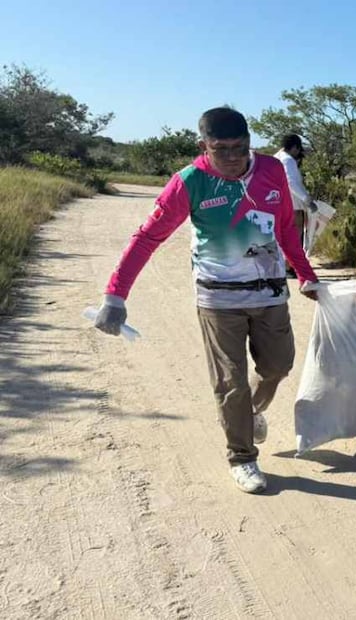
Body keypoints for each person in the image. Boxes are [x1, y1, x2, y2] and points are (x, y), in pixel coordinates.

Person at [92, 107, 320, 494]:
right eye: (221, 149)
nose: (232, 157)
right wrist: (115, 295)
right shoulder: (190, 182)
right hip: (218, 297)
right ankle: (242, 457)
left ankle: (249, 412)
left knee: (278, 366)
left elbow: (284, 227)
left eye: (240, 147)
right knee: (230, 381)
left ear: (250, 142)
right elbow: (148, 237)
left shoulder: (271, 169)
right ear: (204, 146)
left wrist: (306, 274)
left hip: (269, 293)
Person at [274, 134, 312, 272]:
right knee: (294, 234)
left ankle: (286, 265)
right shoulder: (288, 160)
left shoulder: (276, 157)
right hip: (292, 204)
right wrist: (306, 199)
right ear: (295, 147)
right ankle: (290, 266)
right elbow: (291, 182)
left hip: (278, 202)